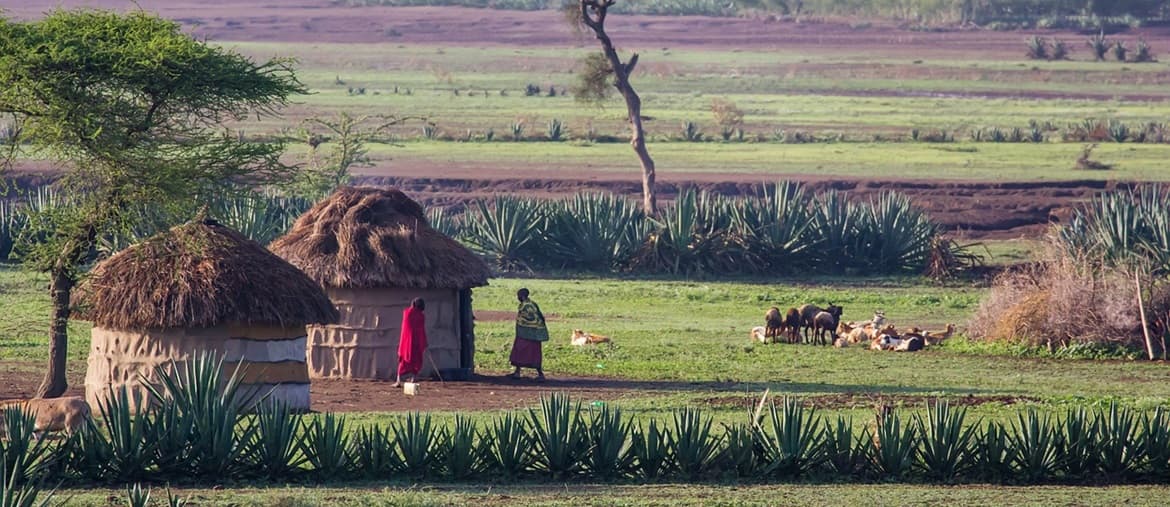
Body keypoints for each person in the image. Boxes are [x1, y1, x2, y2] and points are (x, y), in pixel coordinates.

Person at [510, 288, 548, 381]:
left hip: (525, 332)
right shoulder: (532, 304)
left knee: (519, 350)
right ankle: (539, 374)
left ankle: (518, 372)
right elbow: (540, 317)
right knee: (535, 353)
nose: (517, 298)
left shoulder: (525, 306)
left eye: (518, 296)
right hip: (534, 332)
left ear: (522, 296)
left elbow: (527, 318)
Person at [394, 298, 428, 388]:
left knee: (404, 361)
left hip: (406, 342)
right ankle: (413, 378)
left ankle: (398, 380)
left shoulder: (407, 313)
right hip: (416, 342)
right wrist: (424, 341)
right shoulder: (421, 316)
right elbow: (421, 330)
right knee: (416, 361)